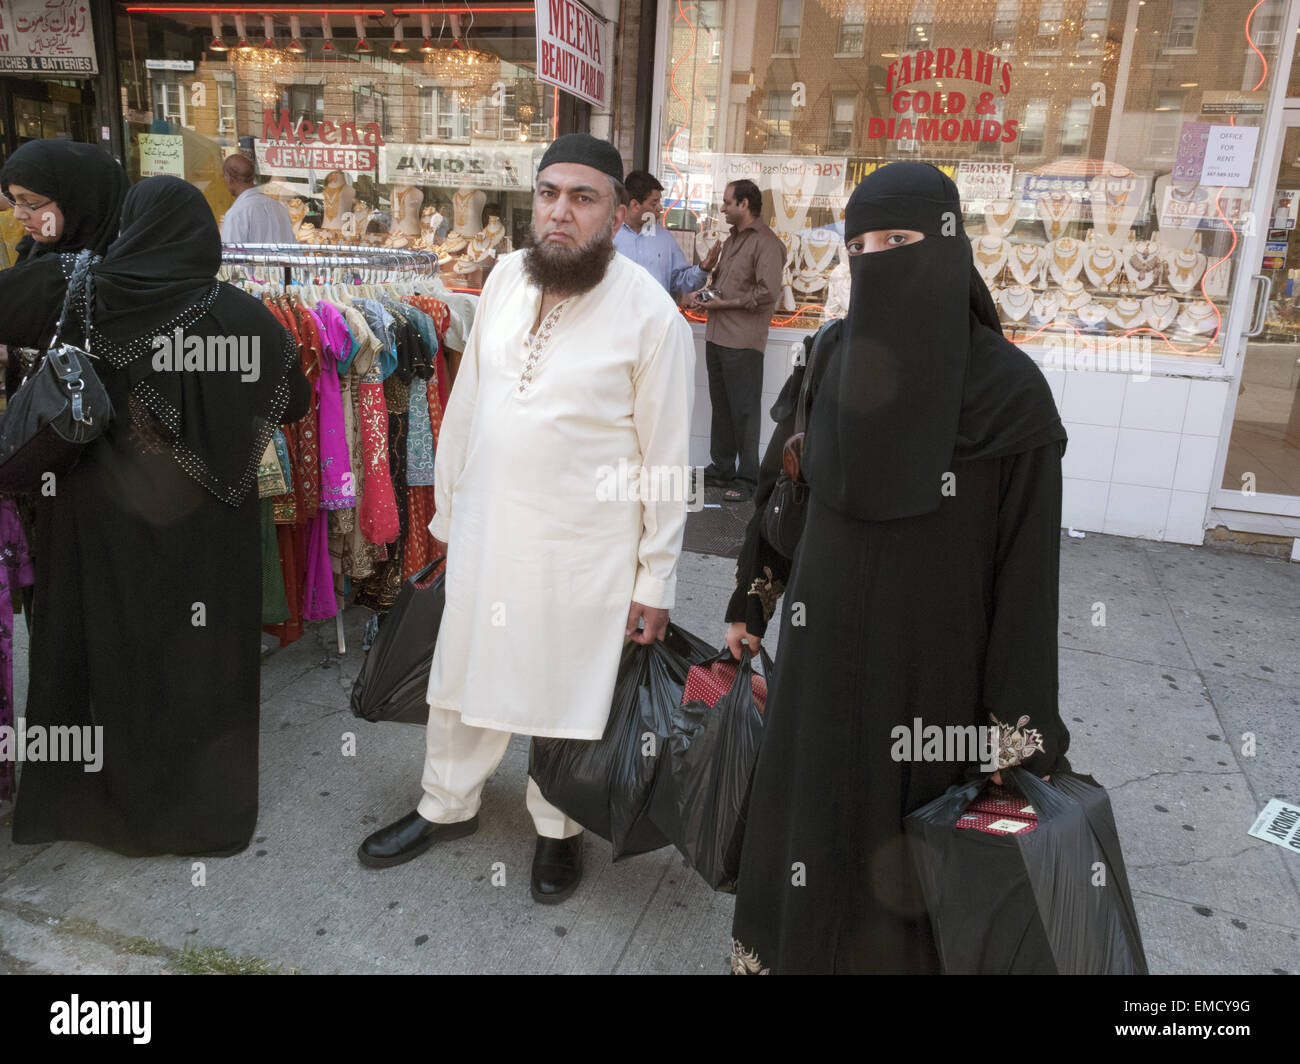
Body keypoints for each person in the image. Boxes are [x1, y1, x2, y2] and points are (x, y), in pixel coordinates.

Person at [724, 162, 1071, 974]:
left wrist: (1014, 740)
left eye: (900, 240)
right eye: (862, 245)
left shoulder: (1011, 395)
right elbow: (787, 488)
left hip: (933, 685)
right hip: (818, 668)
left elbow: (1027, 585)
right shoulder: (834, 357)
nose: (877, 259)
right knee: (810, 847)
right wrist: (753, 598)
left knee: (907, 872)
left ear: (949, 247)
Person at [358, 134, 696, 904]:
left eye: (583, 198)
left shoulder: (652, 317)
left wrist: (657, 577)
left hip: (586, 549)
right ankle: (445, 804)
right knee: (464, 674)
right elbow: (469, 402)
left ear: (616, 213)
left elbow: (670, 461)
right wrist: (446, 520)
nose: (561, 213)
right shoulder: (506, 277)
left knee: (565, 688)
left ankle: (557, 829)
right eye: (549, 194)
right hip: (486, 528)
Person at [7, 176, 310, 857]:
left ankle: (88, 809)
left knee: (97, 653)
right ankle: (197, 818)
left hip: (92, 520)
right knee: (197, 669)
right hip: (208, 531)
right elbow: (293, 403)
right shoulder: (248, 317)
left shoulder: (81, 296)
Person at [684, 179, 784, 502]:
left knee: (744, 411)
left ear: (744, 204)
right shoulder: (731, 240)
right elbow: (725, 286)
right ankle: (723, 466)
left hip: (743, 341)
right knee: (723, 407)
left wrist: (720, 304)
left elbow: (767, 293)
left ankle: (747, 477)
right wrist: (704, 296)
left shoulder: (766, 243)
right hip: (717, 335)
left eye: (727, 202)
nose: (723, 207)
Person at [613, 169, 709, 300]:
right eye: (654, 203)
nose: (660, 208)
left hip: (656, 319)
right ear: (635, 204)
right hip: (618, 318)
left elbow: (680, 282)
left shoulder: (664, 239)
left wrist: (703, 268)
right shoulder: (608, 236)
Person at [220, 152, 296, 244]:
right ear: (253, 176)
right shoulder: (279, 209)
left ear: (228, 178)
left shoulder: (236, 214)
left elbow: (232, 255)